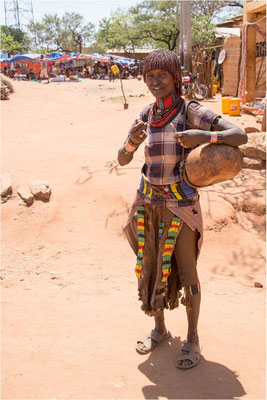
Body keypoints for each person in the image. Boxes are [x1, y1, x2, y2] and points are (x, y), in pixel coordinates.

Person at [117, 49, 247, 369]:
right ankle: (159, 329)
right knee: (151, 270)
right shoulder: (146, 114)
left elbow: (239, 135)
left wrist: (202, 135)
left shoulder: (189, 111)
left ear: (176, 78)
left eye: (162, 75)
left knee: (188, 273)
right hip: (147, 202)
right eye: (149, 76)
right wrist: (130, 144)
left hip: (180, 207)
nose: (155, 81)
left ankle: (192, 339)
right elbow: (122, 158)